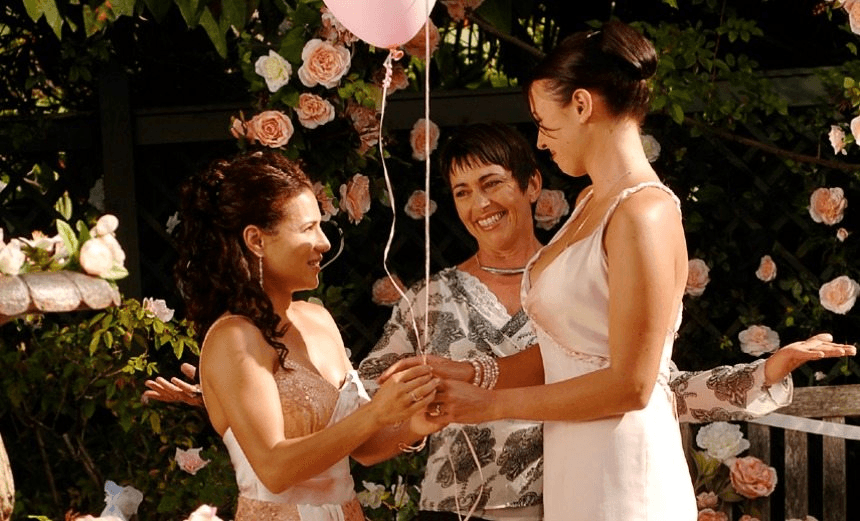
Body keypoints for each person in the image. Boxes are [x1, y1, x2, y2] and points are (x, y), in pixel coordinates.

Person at [148, 124, 854, 521]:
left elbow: (645, 384)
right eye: (460, 191)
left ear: (531, 186)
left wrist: (759, 376)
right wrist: (230, 396)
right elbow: (351, 420)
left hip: (573, 503)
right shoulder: (427, 303)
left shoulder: (585, 278)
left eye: (491, 183)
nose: (478, 204)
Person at [379, 22, 858, 521]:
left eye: (544, 122)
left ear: (581, 105)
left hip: (625, 473)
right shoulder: (591, 201)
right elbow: (569, 352)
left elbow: (632, 384)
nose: (539, 141)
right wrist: (474, 372)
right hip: (576, 468)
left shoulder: (644, 214)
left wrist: (491, 406)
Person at [173, 150, 441, 520]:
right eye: (307, 229)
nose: (324, 243)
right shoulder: (234, 337)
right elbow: (274, 468)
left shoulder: (318, 319)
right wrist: (377, 412)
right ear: (256, 240)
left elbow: (362, 448)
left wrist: (416, 421)